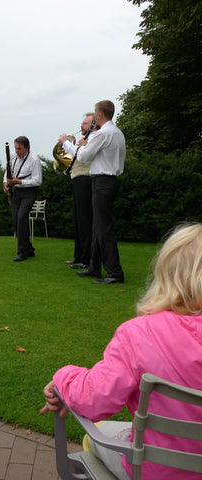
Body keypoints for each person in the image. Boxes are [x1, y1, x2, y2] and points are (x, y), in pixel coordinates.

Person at [41, 223, 202, 480]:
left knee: (96, 436)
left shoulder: (140, 334)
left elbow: (93, 399)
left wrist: (64, 377)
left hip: (155, 472)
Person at [76, 100, 125, 284]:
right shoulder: (118, 133)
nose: (95, 115)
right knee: (97, 227)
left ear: (100, 115)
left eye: (96, 112)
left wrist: (79, 145)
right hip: (111, 180)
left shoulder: (102, 134)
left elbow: (83, 157)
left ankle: (114, 272)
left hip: (102, 181)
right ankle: (94, 268)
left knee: (103, 229)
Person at [59, 113, 95, 270]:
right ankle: (78, 255)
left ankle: (86, 259)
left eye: (86, 123)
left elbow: (82, 156)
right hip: (78, 180)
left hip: (85, 180)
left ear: (93, 125)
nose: (82, 126)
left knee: (85, 222)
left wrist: (66, 142)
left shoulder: (93, 138)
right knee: (78, 221)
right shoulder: (84, 140)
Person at [3, 136, 42, 261]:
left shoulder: (34, 159)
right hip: (17, 190)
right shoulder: (14, 156)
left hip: (29, 191)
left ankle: (22, 252)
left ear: (27, 148)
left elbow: (37, 180)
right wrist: (5, 183)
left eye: (19, 148)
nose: (16, 151)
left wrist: (19, 181)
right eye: (15, 148)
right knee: (15, 220)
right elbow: (7, 170)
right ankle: (29, 249)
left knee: (21, 218)